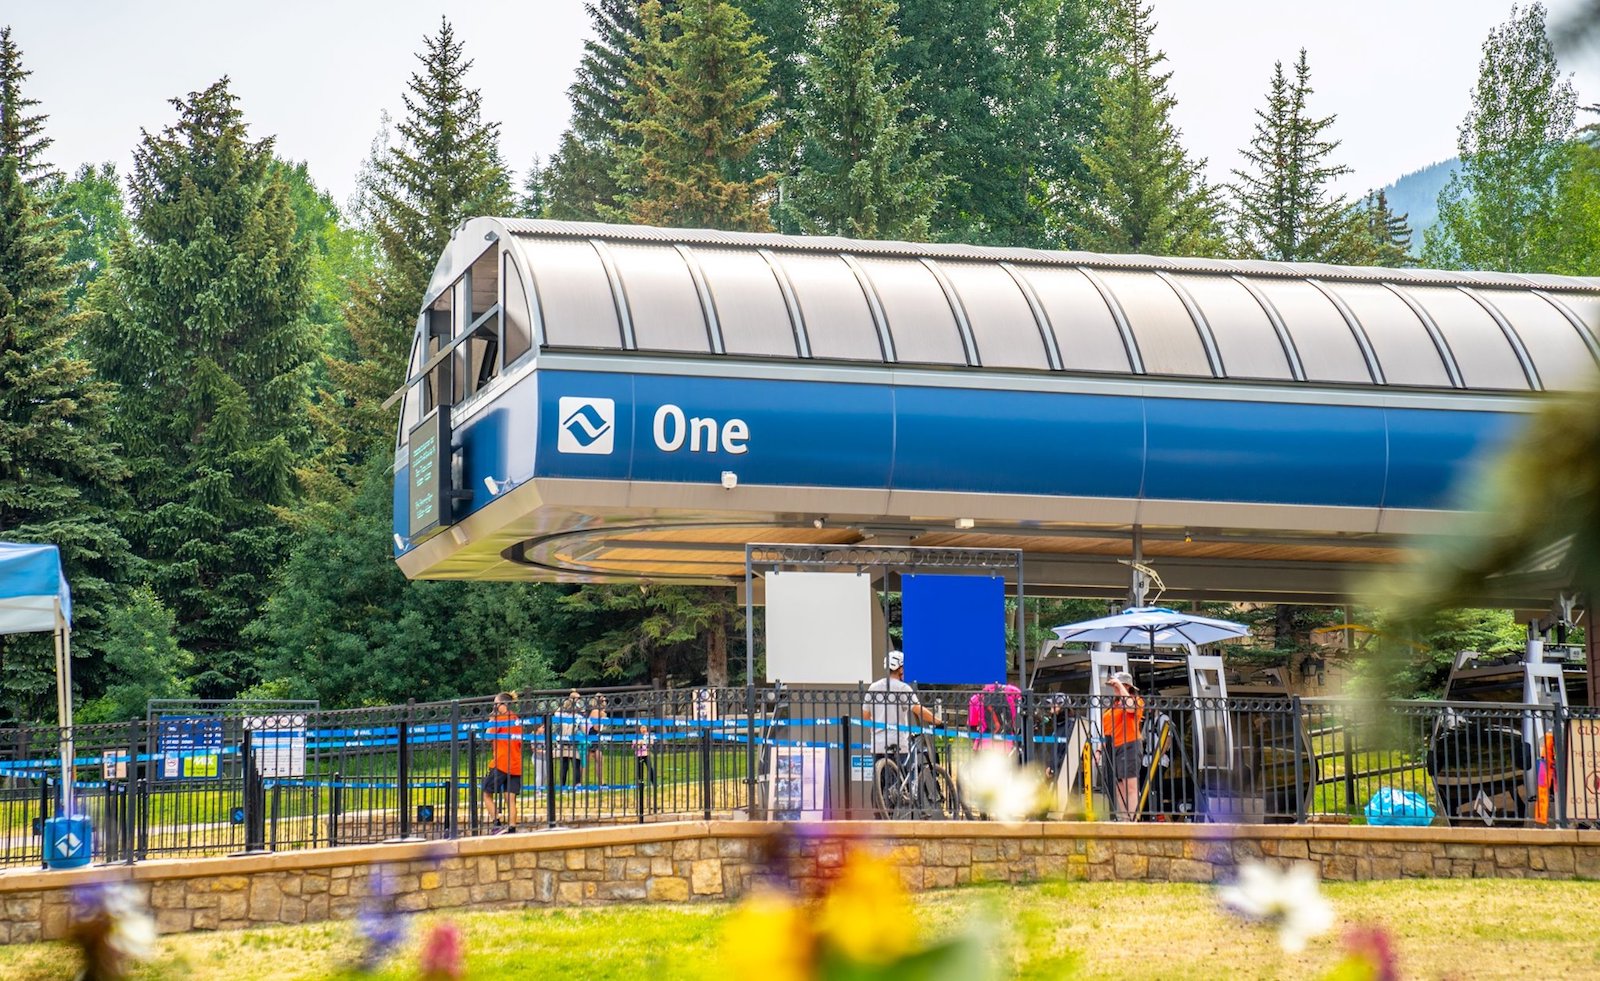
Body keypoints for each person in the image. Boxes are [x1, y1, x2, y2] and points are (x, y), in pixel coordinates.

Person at [864, 650, 938, 761]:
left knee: (881, 777)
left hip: (877, 743)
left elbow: (865, 715)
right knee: (906, 775)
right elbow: (918, 709)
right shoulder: (902, 688)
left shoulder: (873, 687)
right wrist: (937, 721)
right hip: (898, 743)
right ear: (901, 669)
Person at [1100, 671, 1146, 821]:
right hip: (1114, 746)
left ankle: (1132, 819)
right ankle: (1123, 818)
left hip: (1130, 744)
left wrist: (1120, 686)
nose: (1114, 688)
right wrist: (1099, 749)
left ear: (1126, 685)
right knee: (1119, 786)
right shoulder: (1114, 706)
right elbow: (1107, 730)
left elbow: (1131, 708)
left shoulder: (1136, 700)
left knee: (1130, 785)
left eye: (1116, 685)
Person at [481, 692, 523, 833]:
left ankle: (496, 823)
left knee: (486, 793)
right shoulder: (516, 719)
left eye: (496, 704)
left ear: (502, 704)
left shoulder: (500, 719)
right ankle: (512, 828)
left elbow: (487, 737)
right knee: (510, 799)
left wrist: (492, 720)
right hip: (515, 764)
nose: (494, 707)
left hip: (501, 762)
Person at [555, 691, 584, 787]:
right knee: (565, 765)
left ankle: (576, 783)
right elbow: (556, 714)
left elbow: (583, 728)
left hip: (573, 742)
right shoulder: (563, 714)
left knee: (575, 763)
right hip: (564, 742)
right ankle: (563, 785)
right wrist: (567, 703)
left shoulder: (578, 716)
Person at [634, 724, 657, 811]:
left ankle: (653, 781)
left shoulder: (648, 736)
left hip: (646, 754)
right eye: (642, 728)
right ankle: (640, 782)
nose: (643, 729)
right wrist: (638, 743)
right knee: (640, 770)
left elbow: (651, 742)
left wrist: (645, 742)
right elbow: (633, 745)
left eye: (644, 728)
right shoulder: (636, 736)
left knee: (650, 768)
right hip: (639, 755)